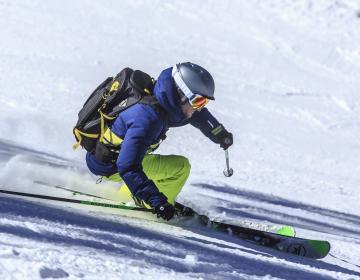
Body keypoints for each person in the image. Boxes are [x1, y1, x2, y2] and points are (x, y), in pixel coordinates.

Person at [85, 62, 233, 221]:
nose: (198, 107)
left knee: (163, 165)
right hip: (111, 166)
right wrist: (157, 202)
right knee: (180, 168)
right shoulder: (148, 118)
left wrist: (218, 133)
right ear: (180, 94)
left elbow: (198, 116)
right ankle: (144, 202)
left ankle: (136, 194)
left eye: (204, 102)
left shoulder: (164, 102)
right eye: (198, 101)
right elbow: (127, 166)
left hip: (111, 158)